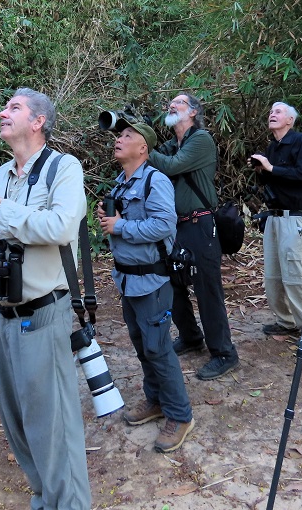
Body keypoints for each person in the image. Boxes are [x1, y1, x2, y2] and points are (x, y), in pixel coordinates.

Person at [0, 88, 91, 509]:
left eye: (13, 107)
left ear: (38, 122)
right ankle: (43, 496)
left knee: (51, 424)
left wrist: (3, 211)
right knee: (16, 422)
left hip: (42, 313)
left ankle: (67, 503)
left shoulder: (62, 168)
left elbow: (62, 227)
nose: (2, 112)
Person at [98, 118, 195, 453]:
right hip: (127, 277)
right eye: (118, 135)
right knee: (142, 345)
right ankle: (155, 400)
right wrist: (110, 217)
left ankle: (180, 415)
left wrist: (121, 226)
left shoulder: (156, 181)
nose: (119, 139)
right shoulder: (119, 183)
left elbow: (164, 225)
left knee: (157, 347)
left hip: (151, 279)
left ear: (144, 148)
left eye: (128, 135)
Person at [148, 92, 239, 381]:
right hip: (175, 226)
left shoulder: (201, 139)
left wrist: (142, 147)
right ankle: (190, 336)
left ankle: (224, 353)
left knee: (206, 288)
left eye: (179, 103)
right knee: (172, 281)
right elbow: (152, 160)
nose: (172, 106)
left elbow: (171, 166)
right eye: (170, 103)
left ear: (193, 112)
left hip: (200, 223)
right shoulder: (171, 144)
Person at [248, 102, 302, 338]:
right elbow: (271, 181)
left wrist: (271, 168)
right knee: (274, 277)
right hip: (274, 219)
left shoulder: (300, 141)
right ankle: (287, 322)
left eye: (278, 111)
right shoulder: (272, 147)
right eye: (270, 111)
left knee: (297, 277)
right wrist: (261, 171)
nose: (272, 114)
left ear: (290, 120)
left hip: (295, 220)